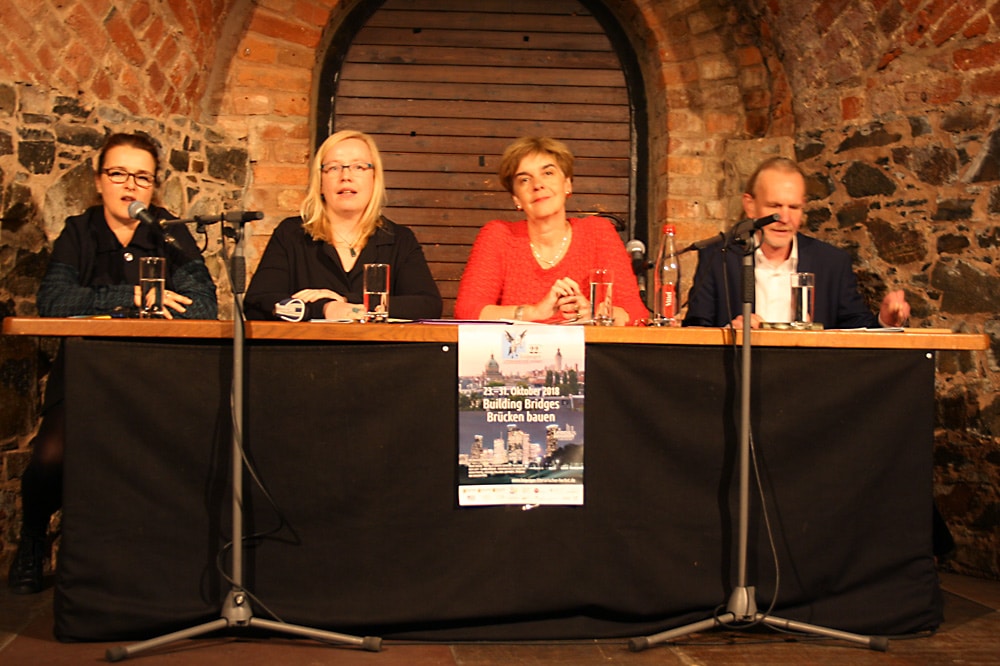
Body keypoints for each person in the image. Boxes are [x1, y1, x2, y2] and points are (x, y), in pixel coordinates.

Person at [8, 132, 218, 594]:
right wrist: (134, 298)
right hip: (87, 373)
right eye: (119, 174)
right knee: (50, 456)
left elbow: (205, 305)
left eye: (141, 177)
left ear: (153, 187)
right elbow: (54, 301)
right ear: (100, 181)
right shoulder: (78, 233)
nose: (130, 185)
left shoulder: (171, 232)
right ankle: (34, 540)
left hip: (158, 377)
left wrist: (111, 304)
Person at [682, 156, 909, 329]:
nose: (784, 218)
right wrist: (727, 333)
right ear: (750, 206)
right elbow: (694, 329)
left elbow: (857, 329)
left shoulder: (831, 262)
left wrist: (886, 320)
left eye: (794, 208)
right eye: (774, 206)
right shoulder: (718, 257)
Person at [244, 130, 442, 321]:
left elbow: (427, 306)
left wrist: (351, 304)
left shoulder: (399, 239)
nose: (346, 176)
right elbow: (257, 304)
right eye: (334, 168)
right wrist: (325, 308)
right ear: (320, 182)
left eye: (358, 167)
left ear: (374, 179)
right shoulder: (292, 234)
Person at [454, 137, 647, 325]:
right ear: (516, 199)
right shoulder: (499, 235)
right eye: (524, 180)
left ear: (567, 184)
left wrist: (595, 314)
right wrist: (534, 312)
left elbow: (637, 313)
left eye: (548, 173)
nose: (537, 185)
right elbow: (467, 311)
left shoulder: (598, 232)